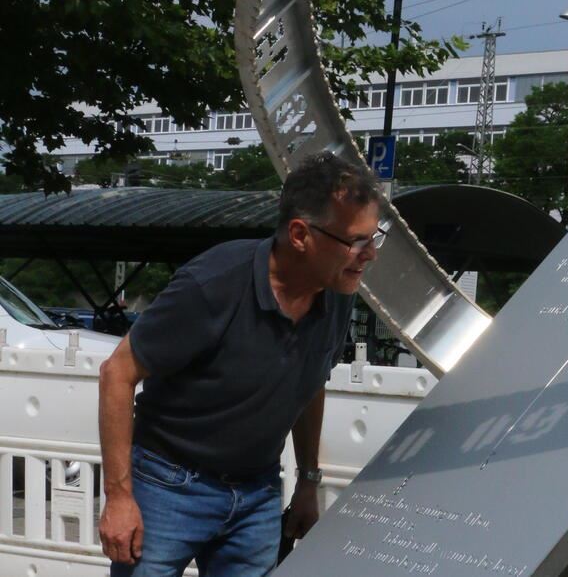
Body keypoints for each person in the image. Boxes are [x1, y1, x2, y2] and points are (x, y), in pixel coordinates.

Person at [97, 152, 384, 576]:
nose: (370, 254)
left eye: (375, 237)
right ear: (301, 234)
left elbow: (309, 384)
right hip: (167, 485)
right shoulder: (212, 284)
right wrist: (119, 498)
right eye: (356, 241)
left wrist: (308, 480)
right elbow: (117, 373)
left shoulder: (338, 293)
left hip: (257, 494)